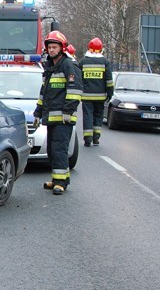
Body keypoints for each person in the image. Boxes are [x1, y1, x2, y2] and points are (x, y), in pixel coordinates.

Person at [33, 31, 83, 195]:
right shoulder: (49, 67)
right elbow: (44, 93)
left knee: (60, 149)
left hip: (63, 118)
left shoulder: (69, 65)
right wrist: (37, 113)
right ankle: (56, 179)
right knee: (53, 150)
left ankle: (61, 182)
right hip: (51, 117)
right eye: (49, 47)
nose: (51, 50)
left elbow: (75, 91)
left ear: (62, 48)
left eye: (54, 47)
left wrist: (68, 112)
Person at [78, 37, 113, 146]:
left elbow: (78, 78)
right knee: (98, 116)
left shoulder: (83, 61)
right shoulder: (105, 62)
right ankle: (96, 138)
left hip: (86, 96)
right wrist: (110, 93)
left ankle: (87, 138)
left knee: (87, 116)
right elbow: (109, 80)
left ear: (89, 48)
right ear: (101, 49)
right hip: (100, 96)